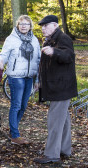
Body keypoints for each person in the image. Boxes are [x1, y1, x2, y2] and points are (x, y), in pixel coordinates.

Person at [33, 15, 77, 164]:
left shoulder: (62, 39)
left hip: (61, 87)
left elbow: (69, 56)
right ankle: (64, 149)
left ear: (54, 25)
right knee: (62, 120)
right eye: (41, 26)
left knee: (54, 122)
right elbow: (45, 65)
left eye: (45, 26)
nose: (43, 29)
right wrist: (40, 81)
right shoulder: (51, 40)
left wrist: (55, 52)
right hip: (58, 86)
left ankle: (52, 155)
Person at [0, 15, 41, 145]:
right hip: (15, 76)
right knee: (16, 105)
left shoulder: (35, 40)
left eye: (26, 24)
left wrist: (37, 79)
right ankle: (15, 135)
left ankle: (13, 128)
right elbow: (4, 54)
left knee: (23, 106)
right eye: (21, 23)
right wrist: (0, 61)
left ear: (30, 26)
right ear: (17, 25)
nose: (23, 26)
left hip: (29, 77)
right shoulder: (11, 39)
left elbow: (38, 60)